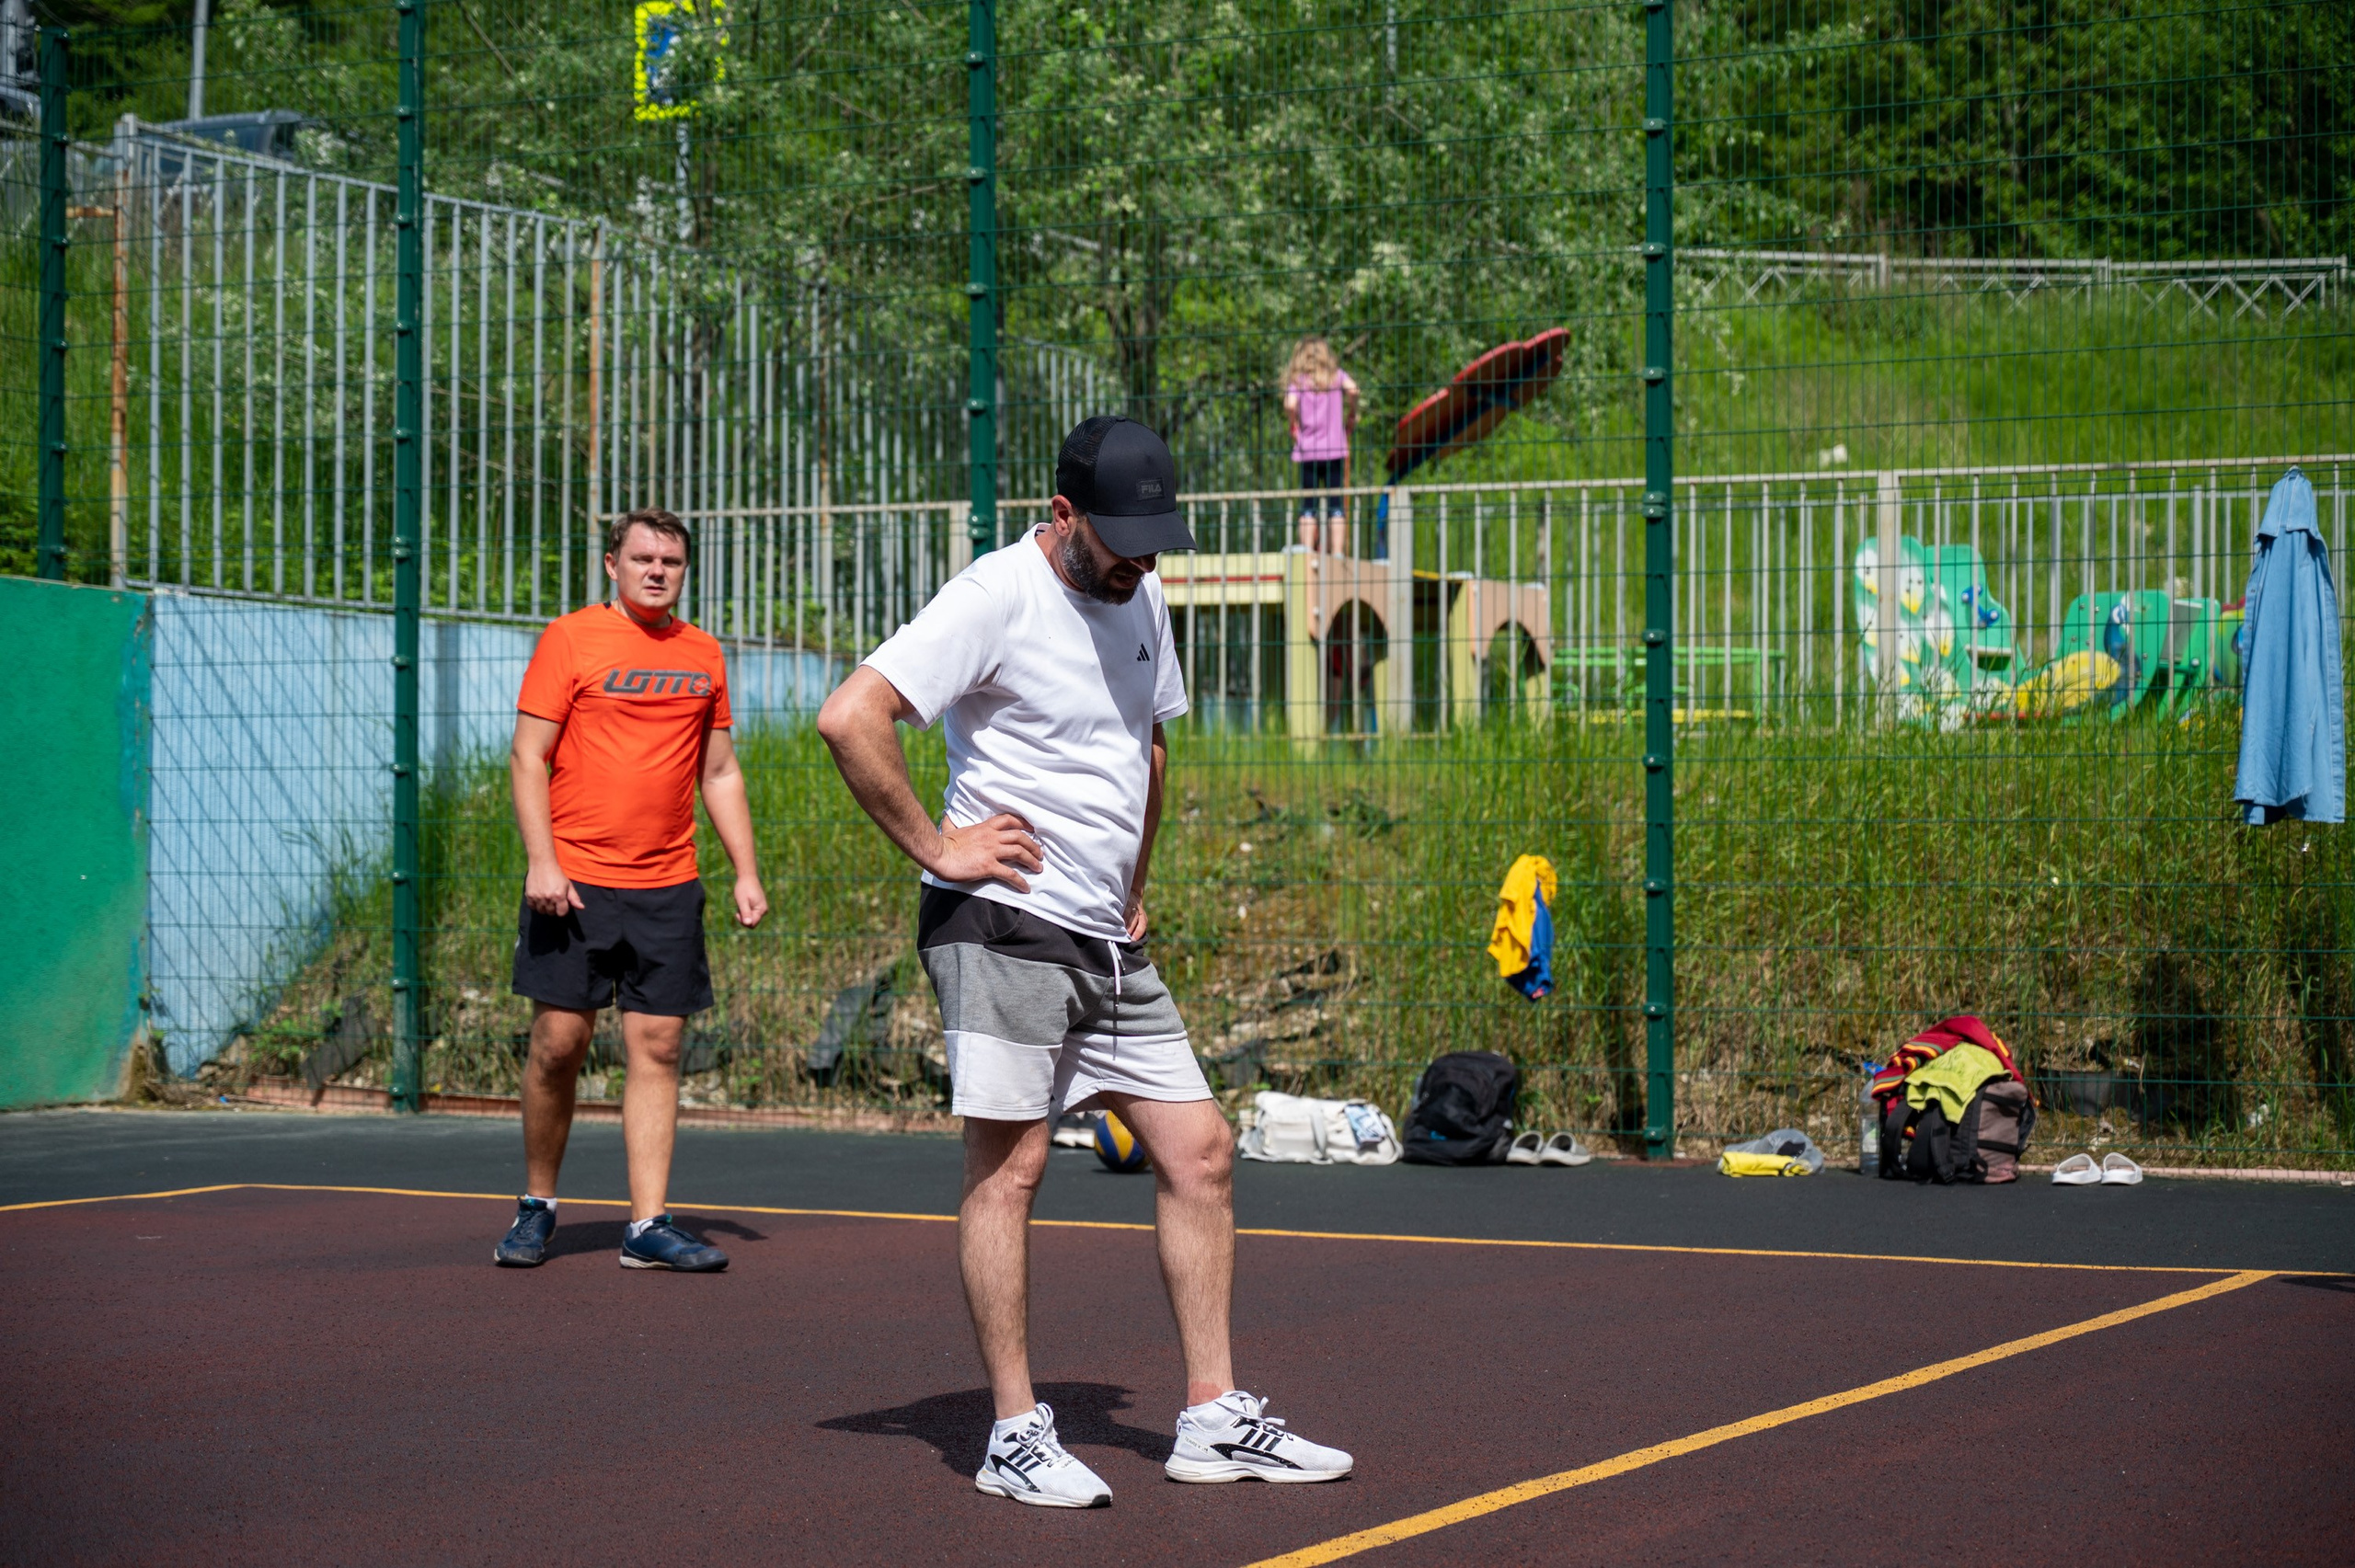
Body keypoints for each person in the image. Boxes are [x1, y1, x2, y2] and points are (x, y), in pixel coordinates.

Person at [816, 416, 1353, 1508]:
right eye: (1121, 540)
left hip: (1106, 931)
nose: (1141, 562)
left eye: (1155, 543)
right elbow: (850, 716)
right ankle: (1012, 1434)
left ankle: (1210, 1419)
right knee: (1010, 1171)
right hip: (1003, 922)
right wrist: (938, 845)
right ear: (1062, 514)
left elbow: (1147, 739)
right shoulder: (994, 595)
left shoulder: (1140, 593)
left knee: (1199, 1150)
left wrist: (1135, 877)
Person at [492, 508, 769, 1272]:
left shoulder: (703, 653)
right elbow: (527, 757)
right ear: (611, 563)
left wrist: (745, 870)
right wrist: (542, 861)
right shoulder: (571, 638)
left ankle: (648, 1225)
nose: (656, 570)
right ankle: (537, 1206)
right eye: (642, 557)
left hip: (667, 885)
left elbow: (719, 770)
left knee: (660, 1043)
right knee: (560, 1043)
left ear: (684, 571)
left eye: (671, 561)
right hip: (574, 879)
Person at [1282, 336, 1359, 555]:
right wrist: (1352, 413)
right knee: (1336, 504)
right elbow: (1353, 390)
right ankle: (1337, 553)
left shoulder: (1299, 381)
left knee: (1309, 504)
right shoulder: (1337, 377)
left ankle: (1306, 552)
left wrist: (1293, 424)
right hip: (1335, 449)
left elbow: (1289, 404)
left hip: (1308, 451)